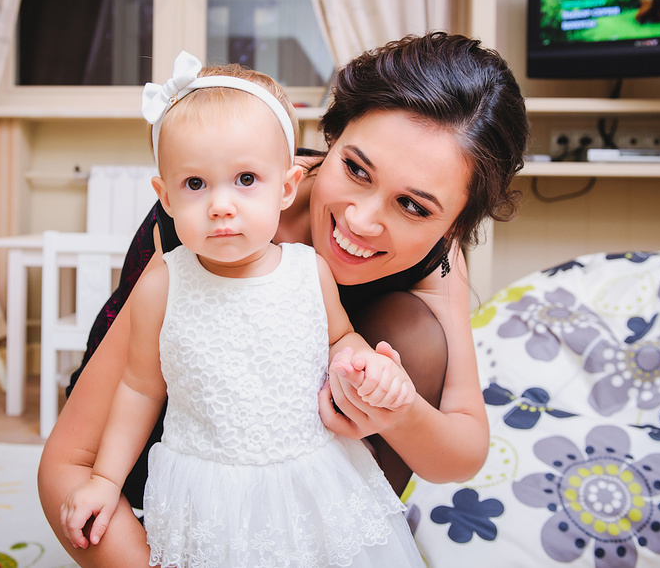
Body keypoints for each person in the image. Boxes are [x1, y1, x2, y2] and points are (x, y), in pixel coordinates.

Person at [38, 31, 530, 566]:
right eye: (356, 169)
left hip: (302, 464)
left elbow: (460, 451)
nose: (361, 221)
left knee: (415, 330)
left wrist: (393, 407)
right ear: (327, 143)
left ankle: (332, 542)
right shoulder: (214, 216)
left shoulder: (437, 264)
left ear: (453, 225)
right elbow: (68, 463)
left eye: (413, 206)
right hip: (171, 439)